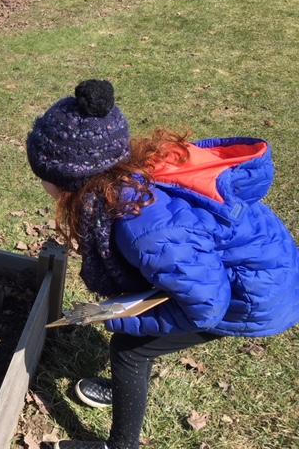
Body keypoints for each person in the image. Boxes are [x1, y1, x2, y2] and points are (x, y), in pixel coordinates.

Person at [26, 79, 299, 449]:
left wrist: (126, 318)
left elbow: (206, 308)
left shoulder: (140, 228)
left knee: (129, 347)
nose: (41, 184)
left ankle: (122, 445)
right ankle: (127, 388)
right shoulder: (126, 185)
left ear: (71, 180)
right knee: (139, 342)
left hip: (256, 294)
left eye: (44, 176)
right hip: (246, 270)